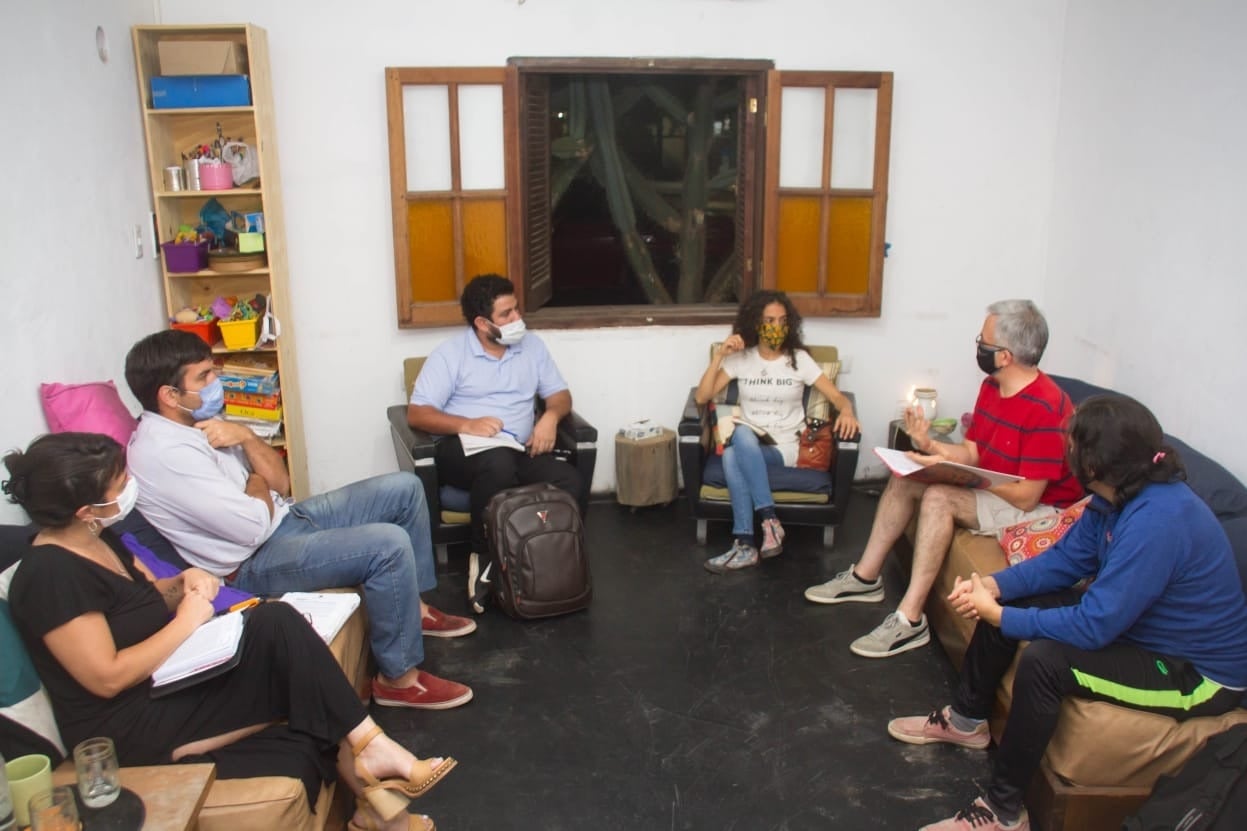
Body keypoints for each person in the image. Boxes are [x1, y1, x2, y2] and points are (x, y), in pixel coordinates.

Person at [3, 433, 457, 831]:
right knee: (294, 666)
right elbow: (107, 677)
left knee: (277, 622)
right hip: (127, 723)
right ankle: (378, 780)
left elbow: (145, 596)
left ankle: (377, 785)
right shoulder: (49, 575)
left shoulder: (101, 538)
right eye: (120, 485)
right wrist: (187, 621)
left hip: (165, 677)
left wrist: (185, 582)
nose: (129, 489)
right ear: (86, 510)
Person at [889, 394, 1247, 831]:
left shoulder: (1158, 520)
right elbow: (1065, 561)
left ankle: (1003, 813)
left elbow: (1095, 625)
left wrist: (1000, 617)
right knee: (1010, 601)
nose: (1066, 450)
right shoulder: (1113, 496)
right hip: (1141, 630)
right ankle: (966, 722)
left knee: (1046, 662)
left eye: (1073, 444)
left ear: (1094, 463)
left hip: (1195, 674)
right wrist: (995, 587)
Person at [123, 329, 474, 711]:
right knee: (387, 544)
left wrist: (246, 437)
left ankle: (413, 611)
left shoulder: (198, 421)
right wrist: (256, 483)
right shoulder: (165, 454)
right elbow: (253, 526)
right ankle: (398, 680)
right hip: (252, 562)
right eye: (204, 376)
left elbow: (279, 481)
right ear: (170, 395)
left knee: (404, 488)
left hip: (282, 517)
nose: (216, 382)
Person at [804, 299, 1083, 658]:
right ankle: (865, 577)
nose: (978, 347)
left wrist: (970, 479)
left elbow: (1028, 496)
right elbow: (972, 453)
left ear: (1005, 356)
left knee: (939, 497)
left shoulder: (1047, 407)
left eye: (983, 342)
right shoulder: (992, 386)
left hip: (1040, 508)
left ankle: (910, 620)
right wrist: (930, 446)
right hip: (1002, 488)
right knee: (907, 475)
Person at [407, 273, 584, 613]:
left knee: (568, 480)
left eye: (516, 309)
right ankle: (483, 559)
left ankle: (552, 560)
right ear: (482, 323)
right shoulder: (450, 355)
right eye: (506, 314)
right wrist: (466, 424)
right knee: (497, 463)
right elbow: (417, 413)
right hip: (464, 450)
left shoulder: (532, 347)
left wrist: (550, 417)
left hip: (520, 448)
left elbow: (560, 394)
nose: (518, 318)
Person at [693, 290, 860, 573]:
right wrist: (720, 355)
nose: (776, 327)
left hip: (786, 447)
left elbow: (837, 397)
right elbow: (702, 396)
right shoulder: (741, 359)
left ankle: (746, 544)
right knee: (740, 439)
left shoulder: (799, 360)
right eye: (769, 321)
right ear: (755, 323)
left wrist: (847, 411)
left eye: (782, 321)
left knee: (734, 451)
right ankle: (768, 525)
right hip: (749, 441)